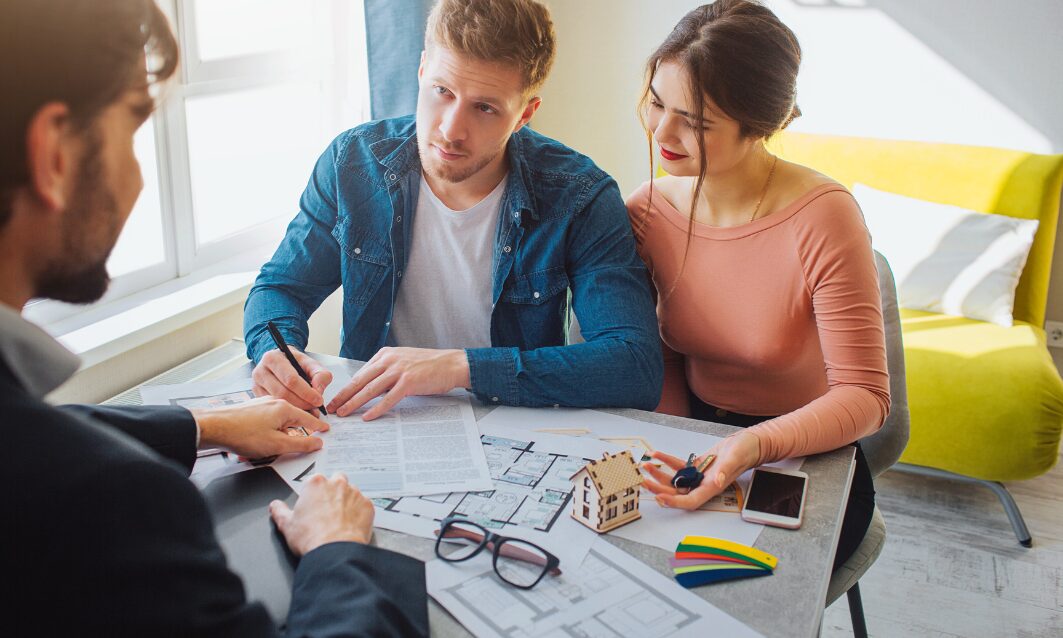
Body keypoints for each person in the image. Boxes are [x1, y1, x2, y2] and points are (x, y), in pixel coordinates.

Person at [1, 1, 428, 635]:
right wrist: (339, 551)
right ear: (55, 154)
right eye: (133, 130)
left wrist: (204, 423)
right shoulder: (119, 503)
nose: (139, 180)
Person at [244, 0, 662, 421]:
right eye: (442, 92)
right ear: (422, 69)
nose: (450, 130)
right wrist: (276, 354)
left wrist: (460, 367)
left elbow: (635, 365)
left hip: (514, 422)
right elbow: (280, 289)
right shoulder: (351, 163)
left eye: (485, 108)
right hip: (375, 422)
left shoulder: (580, 195)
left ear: (525, 114)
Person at [626, 0, 890, 569]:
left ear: (760, 126)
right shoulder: (647, 213)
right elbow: (664, 351)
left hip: (808, 451)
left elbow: (867, 398)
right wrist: (680, 440)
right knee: (636, 573)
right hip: (696, 432)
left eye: (694, 122)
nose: (662, 132)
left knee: (728, 590)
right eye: (655, 102)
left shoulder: (824, 215)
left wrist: (751, 446)